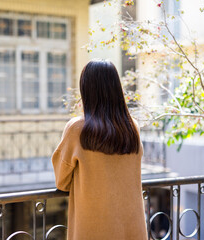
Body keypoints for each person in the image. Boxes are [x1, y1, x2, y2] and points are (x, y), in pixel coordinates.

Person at [51, 59, 147, 240]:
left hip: (93, 231)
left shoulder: (77, 129)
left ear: (86, 89)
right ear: (116, 89)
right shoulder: (132, 127)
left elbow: (61, 181)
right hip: (132, 230)